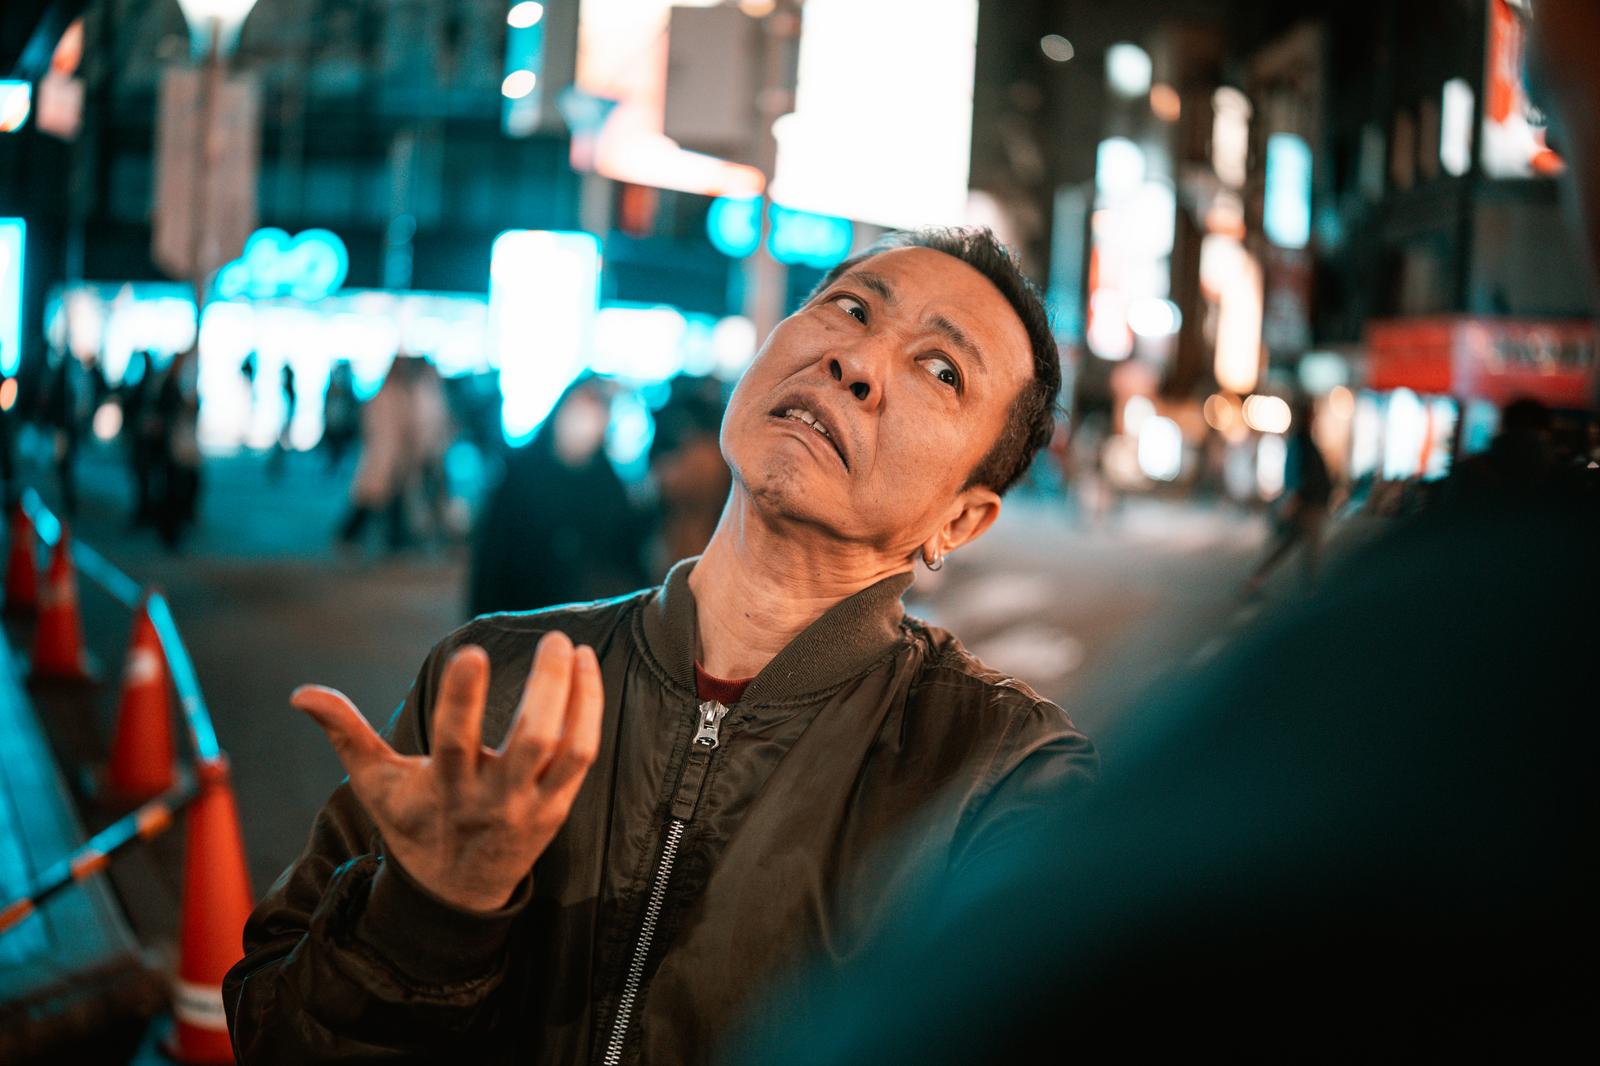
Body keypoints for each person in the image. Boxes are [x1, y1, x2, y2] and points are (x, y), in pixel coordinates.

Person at [224, 227, 1098, 1063]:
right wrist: (429, 916)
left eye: (940, 369)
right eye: (852, 309)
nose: (858, 362)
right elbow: (273, 1032)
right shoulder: (493, 680)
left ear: (962, 518)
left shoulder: (1000, 782)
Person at [468, 375, 648, 614]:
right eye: (578, 411)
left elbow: (627, 556)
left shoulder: (607, 482)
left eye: (595, 413)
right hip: (524, 611)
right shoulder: (521, 474)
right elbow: (492, 556)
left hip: (592, 619)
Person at [1242, 398, 1332, 596]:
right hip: (1307, 505)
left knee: (1289, 544)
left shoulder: (1304, 440)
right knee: (1307, 548)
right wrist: (1292, 499)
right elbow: (1296, 475)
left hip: (1309, 503)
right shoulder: (1301, 441)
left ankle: (1257, 578)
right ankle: (1310, 591)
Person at [339, 355, 417, 552]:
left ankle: (394, 541)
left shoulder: (399, 394)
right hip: (382, 454)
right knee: (370, 499)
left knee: (390, 500)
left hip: (392, 455)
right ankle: (349, 536)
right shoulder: (386, 395)